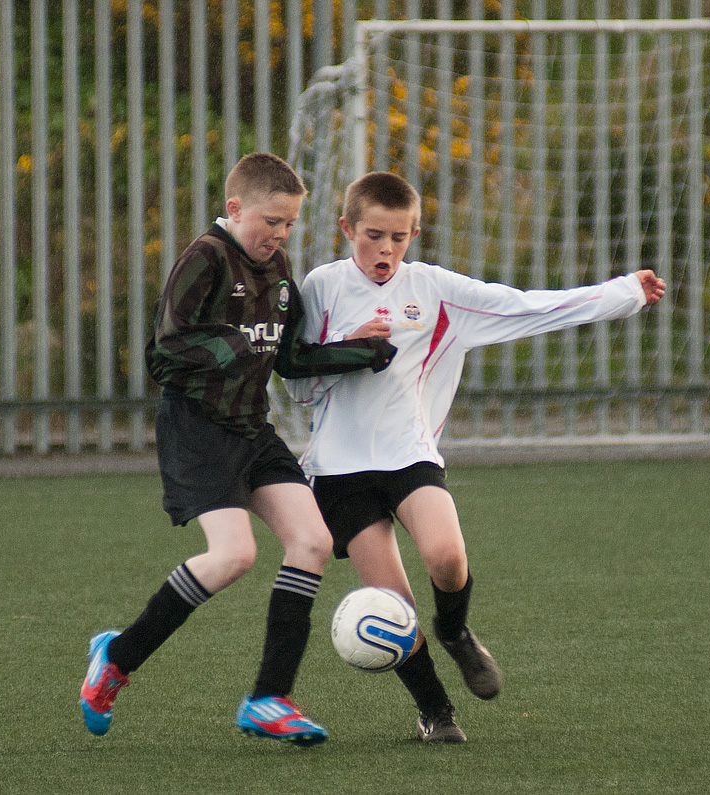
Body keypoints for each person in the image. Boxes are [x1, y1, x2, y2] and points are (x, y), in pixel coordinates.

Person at [285, 171, 666, 744]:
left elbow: (526, 308)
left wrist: (624, 293)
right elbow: (299, 388)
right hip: (338, 470)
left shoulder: (435, 289)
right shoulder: (321, 286)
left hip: (409, 454)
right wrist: (351, 349)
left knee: (446, 557)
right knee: (394, 609)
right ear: (346, 228)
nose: (385, 249)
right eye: (372, 236)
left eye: (398, 236)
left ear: (415, 233)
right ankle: (437, 714)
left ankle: (456, 633)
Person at [79, 153, 395, 747]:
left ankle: (269, 698)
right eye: (270, 221)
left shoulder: (277, 269)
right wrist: (234, 345)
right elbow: (166, 350)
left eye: (289, 224)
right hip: (196, 430)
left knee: (313, 541)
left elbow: (292, 359)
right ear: (234, 209)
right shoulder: (206, 258)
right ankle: (116, 658)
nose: (278, 235)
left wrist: (356, 352)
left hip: (253, 429)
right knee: (234, 556)